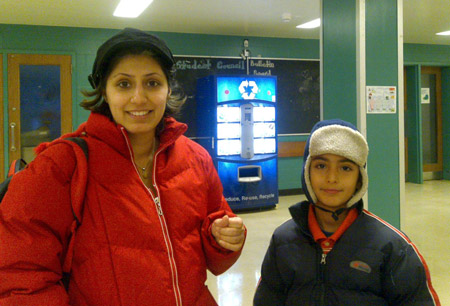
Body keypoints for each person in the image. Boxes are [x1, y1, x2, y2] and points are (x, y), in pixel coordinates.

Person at [0, 28, 246, 306]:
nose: (139, 98)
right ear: (104, 90)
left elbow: (215, 243)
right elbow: (20, 276)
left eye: (152, 83)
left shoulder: (196, 158)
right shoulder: (60, 166)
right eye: (124, 84)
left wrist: (222, 237)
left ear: (168, 88)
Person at [253, 119, 440, 305]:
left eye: (345, 168)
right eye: (321, 166)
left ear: (360, 179)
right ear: (306, 172)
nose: (332, 178)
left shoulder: (393, 248)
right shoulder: (283, 241)